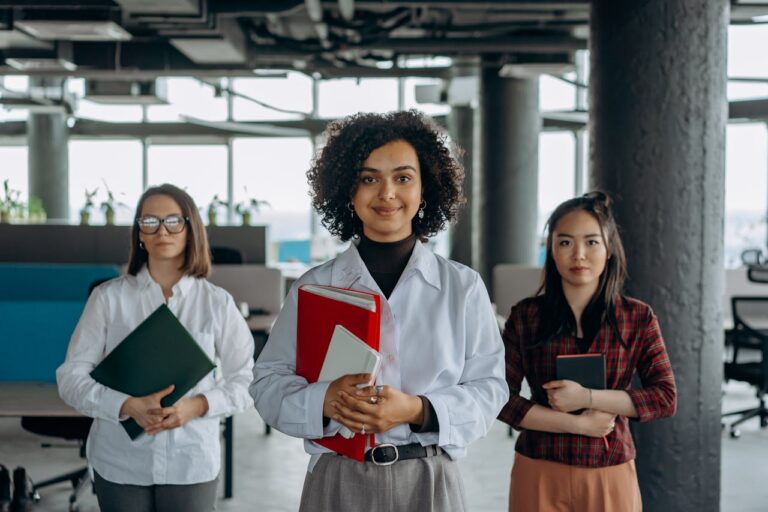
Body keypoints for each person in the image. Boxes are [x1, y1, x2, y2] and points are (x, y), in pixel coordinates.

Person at [250, 110, 508, 512]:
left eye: (403, 178)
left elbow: (490, 389)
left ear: (425, 190)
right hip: (337, 476)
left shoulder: (462, 286)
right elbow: (267, 382)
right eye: (369, 179)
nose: (386, 193)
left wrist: (418, 410)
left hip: (429, 478)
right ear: (347, 192)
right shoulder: (314, 286)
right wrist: (324, 400)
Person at [57, 184, 254, 512]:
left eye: (173, 221)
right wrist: (126, 405)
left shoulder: (217, 303)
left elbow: (248, 381)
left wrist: (197, 405)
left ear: (191, 230)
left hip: (190, 458)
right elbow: (70, 377)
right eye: (150, 222)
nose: (162, 230)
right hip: (120, 458)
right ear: (139, 235)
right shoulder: (108, 299)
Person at [498, 191, 677, 512]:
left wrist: (587, 399)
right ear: (551, 250)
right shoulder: (527, 316)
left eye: (592, 242)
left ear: (609, 249)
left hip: (609, 467)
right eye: (565, 242)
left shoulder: (637, 317)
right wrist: (578, 424)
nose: (578, 254)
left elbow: (664, 397)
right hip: (539, 466)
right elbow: (500, 399)